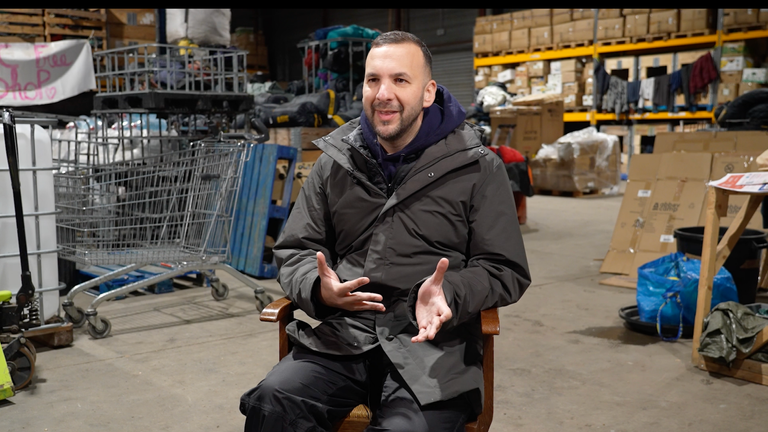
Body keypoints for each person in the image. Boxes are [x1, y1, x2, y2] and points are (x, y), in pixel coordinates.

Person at [240, 30, 531, 432]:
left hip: (430, 347)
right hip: (345, 335)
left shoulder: (477, 167)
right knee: (273, 403)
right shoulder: (334, 162)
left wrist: (450, 292)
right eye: (373, 80)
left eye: (400, 80)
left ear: (428, 92)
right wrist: (317, 288)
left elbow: (504, 268)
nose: (383, 94)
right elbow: (295, 248)